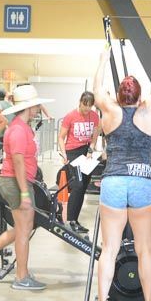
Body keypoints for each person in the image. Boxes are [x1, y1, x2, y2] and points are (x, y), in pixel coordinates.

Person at [91, 30, 151, 301]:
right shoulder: (148, 112)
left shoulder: (109, 111)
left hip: (113, 181)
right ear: (138, 96)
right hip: (141, 182)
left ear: (119, 94)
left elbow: (96, 88)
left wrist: (103, 58)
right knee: (144, 249)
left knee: (109, 249)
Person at [0, 84, 54, 290]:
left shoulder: (22, 127)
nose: (38, 109)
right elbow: (18, 162)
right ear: (29, 107)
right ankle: (21, 277)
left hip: (19, 181)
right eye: (36, 105)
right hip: (16, 183)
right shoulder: (17, 129)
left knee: (22, 229)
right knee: (24, 230)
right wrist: (25, 192)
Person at [57, 92, 101, 233]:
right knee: (78, 184)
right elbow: (61, 137)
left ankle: (75, 220)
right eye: (84, 105)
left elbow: (94, 137)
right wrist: (64, 154)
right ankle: (70, 220)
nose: (87, 109)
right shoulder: (70, 116)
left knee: (83, 188)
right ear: (80, 102)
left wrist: (91, 150)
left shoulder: (94, 116)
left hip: (86, 152)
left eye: (90, 106)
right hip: (72, 152)